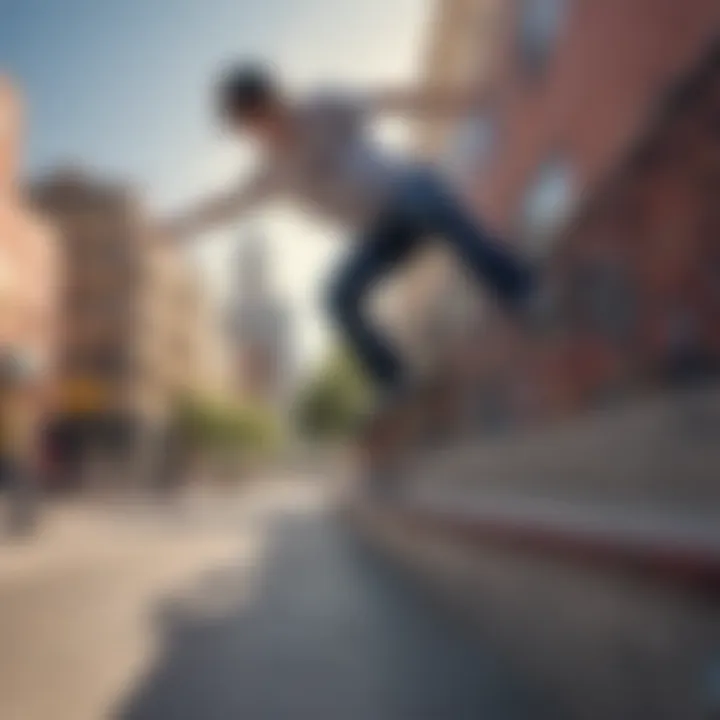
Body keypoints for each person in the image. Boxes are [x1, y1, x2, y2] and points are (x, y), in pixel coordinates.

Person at [168, 63, 535, 401]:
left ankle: (520, 292)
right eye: (249, 129)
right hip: (381, 235)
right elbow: (225, 204)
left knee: (426, 197)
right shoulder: (271, 173)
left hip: (407, 191)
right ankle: (397, 381)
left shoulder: (323, 105)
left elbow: (391, 98)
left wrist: (468, 97)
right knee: (336, 297)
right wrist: (178, 226)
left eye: (259, 118)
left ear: (272, 99)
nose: (261, 133)